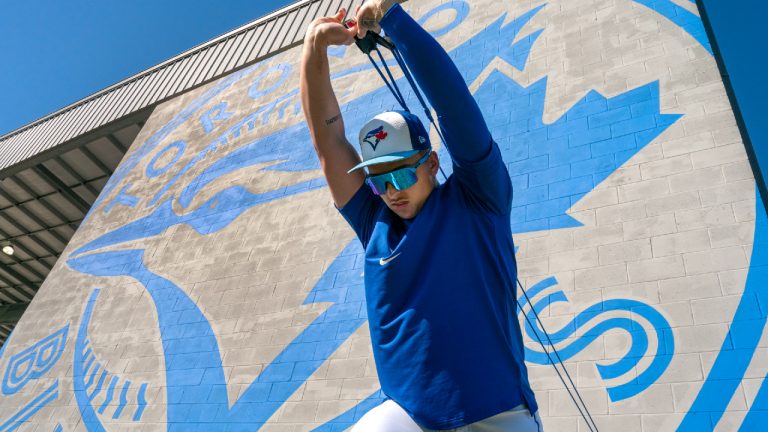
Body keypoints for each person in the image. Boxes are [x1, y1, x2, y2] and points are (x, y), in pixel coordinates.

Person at [300, 1, 541, 430]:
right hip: (412, 417)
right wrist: (314, 50)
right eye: (378, 179)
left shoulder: (477, 200)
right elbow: (329, 141)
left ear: (431, 163)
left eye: (401, 172)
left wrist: (394, 18)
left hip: (498, 412)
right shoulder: (373, 222)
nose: (390, 190)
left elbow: (455, 107)